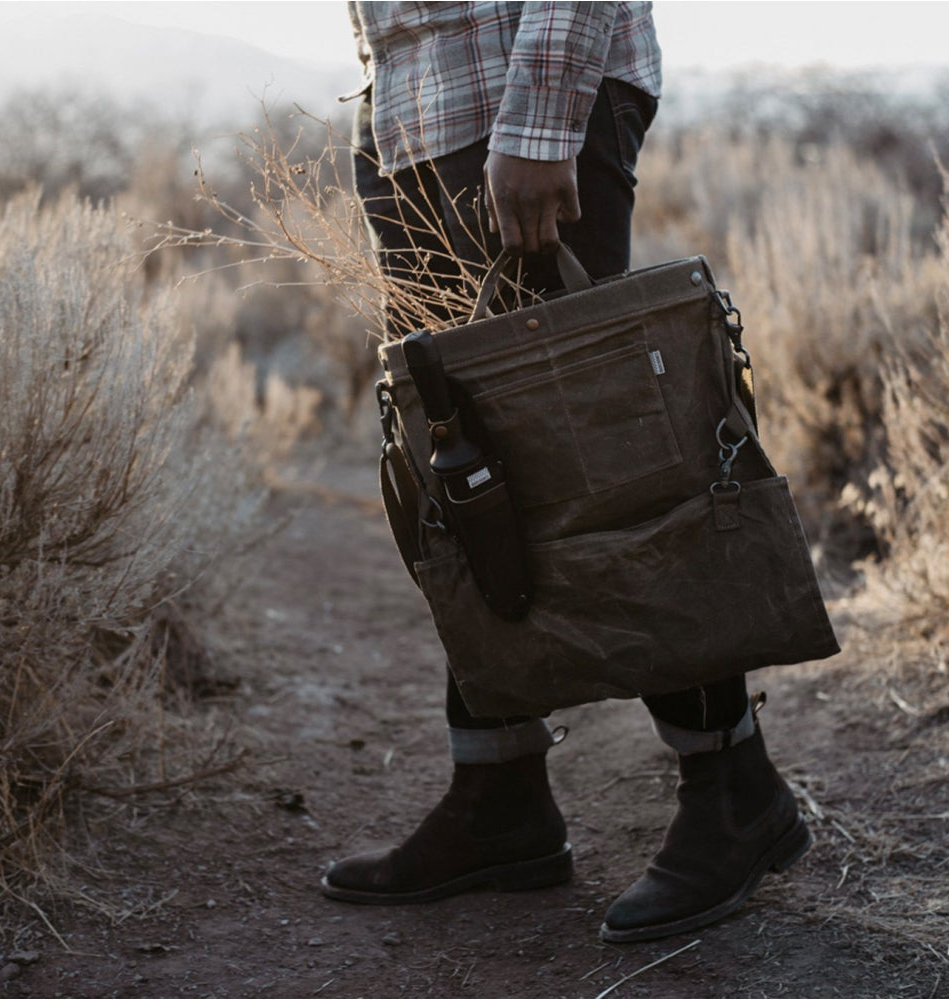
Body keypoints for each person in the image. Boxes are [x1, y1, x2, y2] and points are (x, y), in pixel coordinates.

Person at [323, 1, 812, 943]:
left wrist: (543, 117)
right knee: (460, 465)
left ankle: (734, 785)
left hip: (519, 86)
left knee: (596, 451)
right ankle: (499, 792)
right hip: (411, 98)